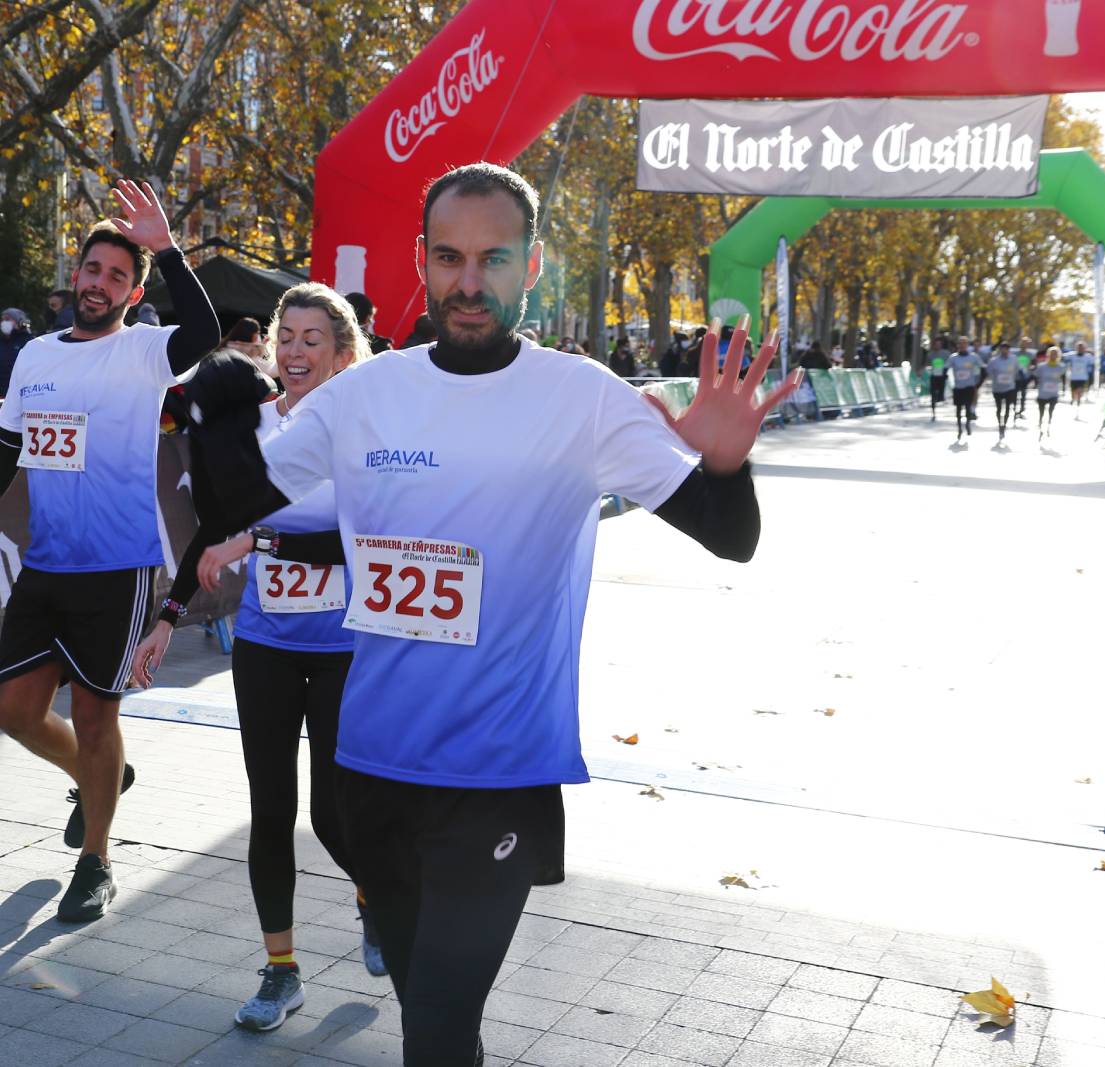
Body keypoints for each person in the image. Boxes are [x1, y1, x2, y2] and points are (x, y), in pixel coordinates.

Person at [187, 163, 796, 1065]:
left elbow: (729, 536)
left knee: (434, 1029)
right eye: (450, 258)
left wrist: (725, 463)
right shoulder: (366, 394)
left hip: (499, 775)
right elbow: (238, 496)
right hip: (371, 772)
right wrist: (219, 399)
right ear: (421, 262)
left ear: (533, 265)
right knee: (434, 1024)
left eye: (494, 259)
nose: (469, 283)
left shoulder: (581, 396)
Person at [0, 181, 221, 923]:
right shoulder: (34, 353)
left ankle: (95, 860)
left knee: (96, 716)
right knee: (14, 712)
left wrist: (168, 250)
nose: (101, 284)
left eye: (118, 276)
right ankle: (105, 776)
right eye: (93, 270)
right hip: (47, 565)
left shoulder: (145, 351)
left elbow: (205, 329)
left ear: (132, 290)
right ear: (77, 275)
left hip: (118, 568)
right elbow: (10, 440)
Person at [131, 283, 382, 1033]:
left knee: (336, 813)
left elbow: (358, 544)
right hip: (268, 643)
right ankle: (280, 970)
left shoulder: (364, 432)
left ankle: (378, 897)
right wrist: (167, 618)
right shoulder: (255, 428)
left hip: (344, 646)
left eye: (315, 339)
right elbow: (217, 529)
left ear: (343, 355)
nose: (298, 351)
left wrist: (259, 540)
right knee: (270, 811)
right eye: (288, 337)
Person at [947, 336, 984, 441]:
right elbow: (946, 369)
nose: (962, 345)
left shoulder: (973, 357)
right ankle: (959, 428)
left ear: (967, 345)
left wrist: (979, 383)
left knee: (968, 407)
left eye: (964, 343)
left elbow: (983, 368)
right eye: (960, 343)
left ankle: (967, 424)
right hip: (958, 387)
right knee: (958, 409)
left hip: (969, 386)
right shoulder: (953, 357)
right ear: (958, 345)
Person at [0, 307, 33, 399]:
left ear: (19, 322)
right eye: (2, 320)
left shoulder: (28, 341)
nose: (3, 322)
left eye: (7, 319)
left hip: (19, 394)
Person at [986, 342, 1019, 443]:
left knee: (1008, 407)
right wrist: (996, 378)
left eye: (1006, 349)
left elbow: (1017, 370)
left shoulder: (1014, 359)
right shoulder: (994, 361)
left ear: (1009, 350)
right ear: (1000, 350)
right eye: (1003, 349)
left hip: (1010, 387)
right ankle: (999, 423)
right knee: (999, 408)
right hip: (997, 388)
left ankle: (1004, 424)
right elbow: (989, 372)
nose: (1004, 351)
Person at [1034, 345, 1066, 440]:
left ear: (1058, 355)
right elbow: (1036, 376)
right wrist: (1037, 385)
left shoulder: (1061, 367)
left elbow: (1063, 379)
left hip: (1054, 393)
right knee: (1041, 411)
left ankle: (1048, 424)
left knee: (1051, 410)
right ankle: (1040, 423)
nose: (1053, 356)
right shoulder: (1042, 366)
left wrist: (1064, 389)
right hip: (1043, 393)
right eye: (1052, 354)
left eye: (1055, 354)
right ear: (1048, 355)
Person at [924, 339, 948, 420]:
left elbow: (950, 363)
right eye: (936, 344)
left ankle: (940, 397)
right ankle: (933, 412)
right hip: (934, 376)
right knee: (933, 394)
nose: (937, 346)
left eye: (939, 344)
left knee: (940, 395)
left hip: (942, 377)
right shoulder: (930, 354)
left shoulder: (946, 354)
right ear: (934, 345)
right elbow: (926, 364)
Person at [1014, 337, 1034, 419]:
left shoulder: (1030, 354)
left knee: (1023, 394)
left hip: (1025, 377)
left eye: (1026, 343)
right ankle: (1014, 409)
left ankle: (1021, 409)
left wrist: (1031, 369)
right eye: (1023, 343)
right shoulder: (1015, 354)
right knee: (1015, 395)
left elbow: (1032, 365)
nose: (1025, 345)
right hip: (1016, 377)